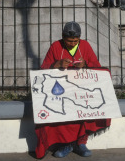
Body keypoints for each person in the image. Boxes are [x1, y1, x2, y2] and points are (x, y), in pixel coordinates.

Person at [35, 21, 111, 159]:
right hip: (62, 90)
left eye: (75, 41)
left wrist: (85, 64)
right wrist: (57, 64)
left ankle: (80, 143)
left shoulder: (85, 46)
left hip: (81, 89)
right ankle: (66, 144)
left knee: (83, 114)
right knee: (65, 118)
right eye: (69, 41)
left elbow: (96, 66)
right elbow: (43, 68)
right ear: (63, 37)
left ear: (79, 38)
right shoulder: (55, 46)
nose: (72, 43)